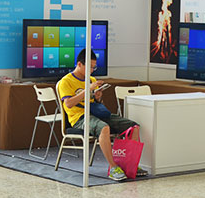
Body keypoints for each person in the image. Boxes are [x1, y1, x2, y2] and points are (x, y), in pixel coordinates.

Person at [57, 49, 148, 181]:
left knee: (133, 127)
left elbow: (97, 104)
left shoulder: (92, 80)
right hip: (79, 118)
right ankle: (113, 167)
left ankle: (130, 164)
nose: (92, 70)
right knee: (104, 128)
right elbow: (69, 104)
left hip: (97, 113)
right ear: (79, 64)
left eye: (94, 67)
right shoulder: (66, 81)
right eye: (90, 67)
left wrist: (98, 97)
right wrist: (88, 89)